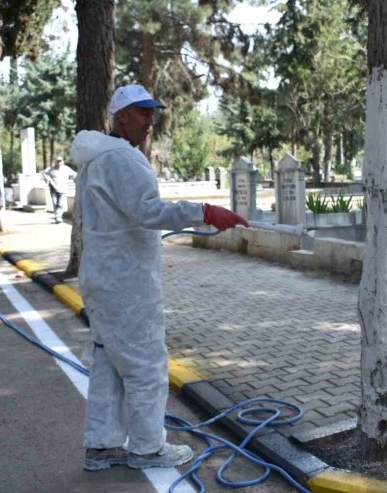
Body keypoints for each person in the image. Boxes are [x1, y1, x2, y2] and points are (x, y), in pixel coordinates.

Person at [71, 84, 248, 472]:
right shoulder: (122, 160)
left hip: (103, 278)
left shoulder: (95, 159)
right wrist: (203, 211)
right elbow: (147, 211)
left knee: (110, 363)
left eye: (153, 111)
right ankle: (148, 449)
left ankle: (101, 446)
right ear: (122, 117)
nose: (151, 120)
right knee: (147, 364)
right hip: (125, 284)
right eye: (143, 112)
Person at [42, 156, 77, 223]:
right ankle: (57, 216)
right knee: (55, 203)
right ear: (55, 162)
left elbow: (75, 174)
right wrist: (48, 179)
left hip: (63, 189)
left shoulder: (67, 169)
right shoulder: (51, 169)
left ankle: (58, 217)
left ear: (63, 162)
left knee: (60, 204)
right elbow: (44, 174)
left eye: (60, 161)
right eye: (58, 161)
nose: (59, 163)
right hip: (53, 189)